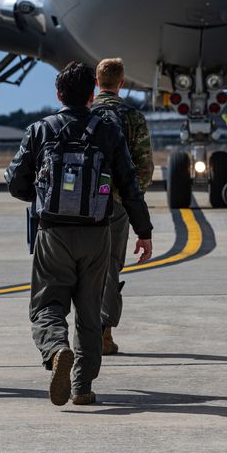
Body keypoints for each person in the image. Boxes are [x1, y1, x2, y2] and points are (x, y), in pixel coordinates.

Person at [5, 61, 152, 406]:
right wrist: (143, 231)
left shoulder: (41, 129)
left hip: (53, 231)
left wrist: (41, 194)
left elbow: (14, 182)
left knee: (46, 306)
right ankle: (81, 386)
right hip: (97, 232)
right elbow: (130, 185)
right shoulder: (108, 130)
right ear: (91, 95)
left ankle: (56, 349)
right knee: (89, 311)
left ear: (58, 94)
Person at [92, 58, 154, 355]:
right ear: (122, 82)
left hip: (79, 203)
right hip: (116, 203)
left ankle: (80, 328)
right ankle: (104, 331)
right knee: (110, 267)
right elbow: (145, 166)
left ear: (97, 80)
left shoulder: (83, 112)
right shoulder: (132, 116)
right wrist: (129, 199)